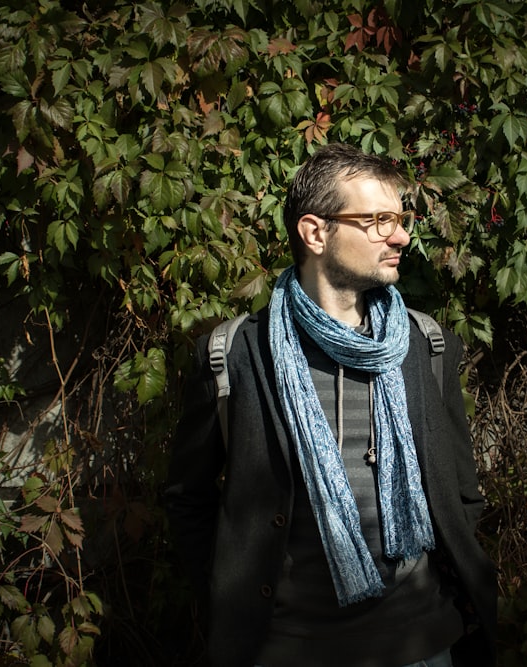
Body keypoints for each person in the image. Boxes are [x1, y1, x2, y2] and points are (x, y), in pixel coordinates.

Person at [165, 143, 497, 667]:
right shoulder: (236, 357)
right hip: (289, 653)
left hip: (420, 648)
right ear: (316, 232)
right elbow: (189, 499)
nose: (402, 235)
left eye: (401, 218)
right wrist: (236, 594)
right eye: (380, 220)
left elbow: (460, 492)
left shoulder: (424, 345)